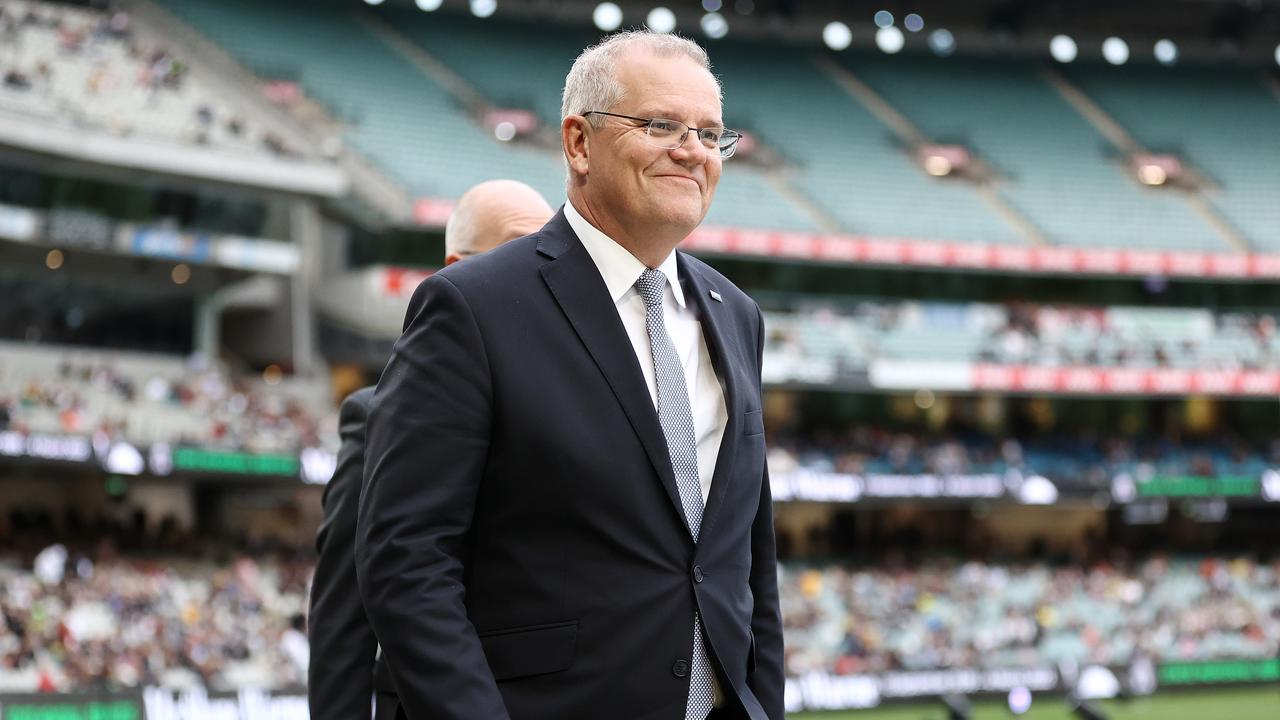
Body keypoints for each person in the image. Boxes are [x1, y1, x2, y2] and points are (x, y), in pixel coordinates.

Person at [357, 31, 782, 720]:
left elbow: (747, 561)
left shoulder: (736, 315)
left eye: (710, 133)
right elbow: (406, 560)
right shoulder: (474, 306)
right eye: (660, 125)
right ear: (579, 144)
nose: (692, 150)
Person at [308, 180, 553, 720]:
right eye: (519, 247)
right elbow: (341, 628)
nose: (542, 269)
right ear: (453, 268)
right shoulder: (379, 416)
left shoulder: (575, 408)